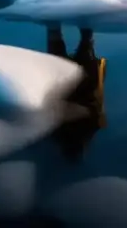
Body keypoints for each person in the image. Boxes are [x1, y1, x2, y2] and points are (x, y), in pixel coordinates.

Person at [46, 25, 107, 160]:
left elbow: (94, 111)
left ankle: (61, 25)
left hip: (77, 86)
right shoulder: (58, 135)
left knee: (82, 47)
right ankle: (55, 25)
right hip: (74, 87)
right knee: (62, 49)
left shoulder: (89, 130)